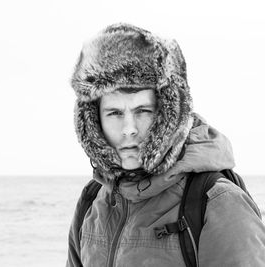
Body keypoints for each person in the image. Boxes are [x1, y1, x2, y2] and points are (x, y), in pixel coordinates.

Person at [66, 23, 265, 266]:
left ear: (167, 115)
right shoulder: (93, 201)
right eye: (115, 113)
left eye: (143, 111)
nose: (129, 128)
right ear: (94, 121)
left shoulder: (217, 202)